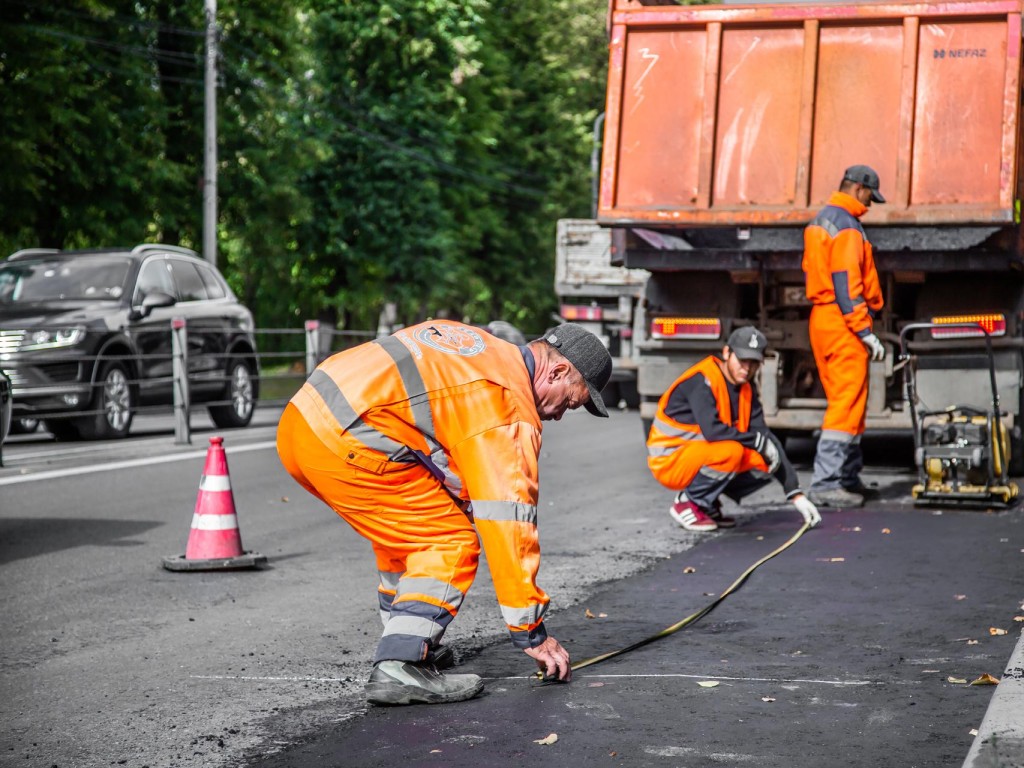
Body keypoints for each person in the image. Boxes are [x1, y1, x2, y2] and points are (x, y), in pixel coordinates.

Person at [276, 320, 613, 706]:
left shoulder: (484, 350)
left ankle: (407, 639)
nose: (559, 416)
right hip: (349, 439)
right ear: (557, 371)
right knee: (449, 542)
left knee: (408, 535)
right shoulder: (510, 404)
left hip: (303, 420)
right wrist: (532, 632)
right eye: (570, 402)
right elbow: (510, 524)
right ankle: (399, 665)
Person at [646, 326, 821, 532]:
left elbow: (764, 436)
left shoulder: (746, 388)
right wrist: (756, 442)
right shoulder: (703, 380)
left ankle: (707, 503)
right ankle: (689, 502)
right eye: (742, 360)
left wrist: (795, 493)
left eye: (754, 363)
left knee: (766, 458)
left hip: (699, 454)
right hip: (670, 460)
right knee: (732, 451)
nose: (746, 369)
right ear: (727, 353)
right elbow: (714, 432)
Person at [802, 164, 886, 508]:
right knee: (846, 404)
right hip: (842, 322)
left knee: (845, 400)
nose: (869, 204)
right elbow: (846, 283)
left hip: (823, 320)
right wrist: (865, 330)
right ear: (859, 189)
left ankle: (847, 478)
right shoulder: (848, 226)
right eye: (869, 197)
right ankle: (826, 483)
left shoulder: (821, 220)